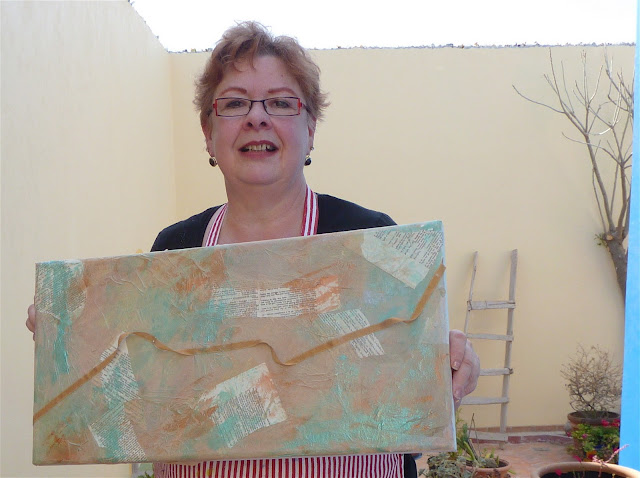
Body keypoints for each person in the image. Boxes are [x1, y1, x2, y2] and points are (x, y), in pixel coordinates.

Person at [27, 21, 479, 478]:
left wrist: (450, 363)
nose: (256, 118)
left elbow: (411, 376)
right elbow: (139, 395)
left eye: (280, 103)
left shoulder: (375, 239)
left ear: (310, 128)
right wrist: (72, 339)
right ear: (208, 133)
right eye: (234, 103)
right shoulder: (172, 250)